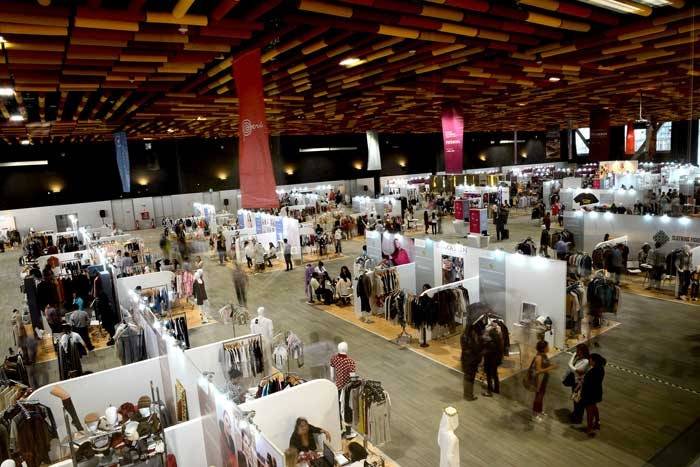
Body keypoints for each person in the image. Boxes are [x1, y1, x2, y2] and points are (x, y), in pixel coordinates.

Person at [581, 353, 606, 436]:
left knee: (589, 411)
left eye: (590, 360)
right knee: (594, 407)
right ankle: (597, 422)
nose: (589, 361)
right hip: (597, 392)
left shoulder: (594, 371)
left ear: (594, 361)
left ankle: (589, 428)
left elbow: (589, 382)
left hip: (590, 393)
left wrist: (583, 380)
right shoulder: (601, 368)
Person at [532, 340, 557, 422]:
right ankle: (535, 414)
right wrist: (551, 367)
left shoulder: (544, 355)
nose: (548, 348)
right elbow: (538, 371)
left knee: (541, 396)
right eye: (547, 346)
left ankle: (539, 410)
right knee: (538, 397)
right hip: (539, 380)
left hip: (544, 379)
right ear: (543, 348)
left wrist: (551, 365)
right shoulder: (539, 357)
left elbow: (545, 364)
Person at [566, 343, 590, 424]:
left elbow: (576, 370)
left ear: (583, 351)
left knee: (579, 402)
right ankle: (575, 414)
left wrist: (573, 356)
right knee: (575, 400)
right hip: (575, 382)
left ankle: (578, 418)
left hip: (580, 384)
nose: (576, 352)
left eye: (578, 350)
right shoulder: (579, 358)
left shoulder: (586, 361)